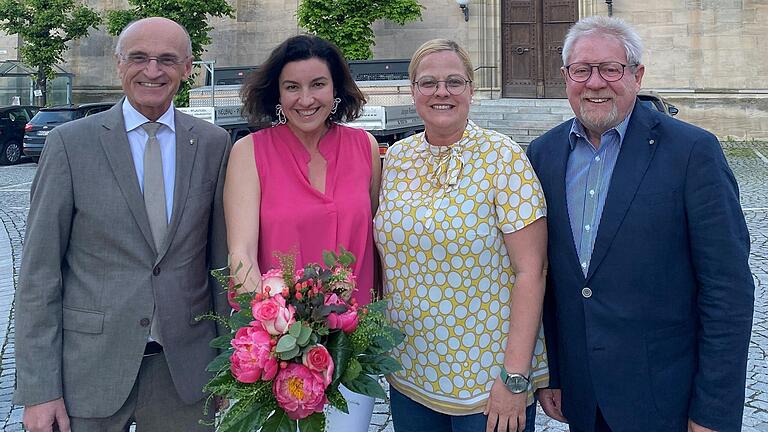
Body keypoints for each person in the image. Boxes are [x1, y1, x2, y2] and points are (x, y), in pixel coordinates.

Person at [527, 16, 754, 432]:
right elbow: (551, 280)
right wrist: (553, 372)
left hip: (666, 397)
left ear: (636, 74)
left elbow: (728, 289)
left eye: (610, 69)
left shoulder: (692, 152)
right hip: (584, 397)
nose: (595, 82)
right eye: (582, 70)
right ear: (565, 77)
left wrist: (714, 412)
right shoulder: (543, 155)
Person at [13, 17, 231, 432]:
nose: (152, 71)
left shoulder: (212, 143)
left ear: (188, 69)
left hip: (183, 374)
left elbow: (218, 266)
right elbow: (39, 274)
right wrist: (40, 390)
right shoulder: (70, 144)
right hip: (88, 371)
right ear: (119, 64)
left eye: (167, 60)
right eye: (139, 58)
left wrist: (224, 364)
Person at [374, 39, 549, 432]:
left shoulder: (502, 156)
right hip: (411, 374)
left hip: (489, 383)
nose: (441, 92)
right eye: (428, 83)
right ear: (412, 90)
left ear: (471, 89)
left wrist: (514, 378)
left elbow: (531, 271)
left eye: (454, 82)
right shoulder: (397, 159)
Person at [226, 34, 381, 430]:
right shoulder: (250, 152)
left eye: (318, 85)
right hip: (278, 349)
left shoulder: (365, 148)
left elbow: (377, 242)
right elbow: (241, 252)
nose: (306, 99)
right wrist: (276, 337)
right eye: (292, 87)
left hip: (350, 347)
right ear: (276, 93)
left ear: (337, 89)